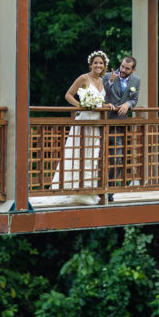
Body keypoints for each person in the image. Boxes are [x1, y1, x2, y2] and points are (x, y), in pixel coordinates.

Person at [51, 50, 108, 204]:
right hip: (84, 121)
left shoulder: (102, 82)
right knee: (79, 153)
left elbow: (99, 102)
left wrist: (106, 105)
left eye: (101, 63)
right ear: (91, 64)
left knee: (92, 155)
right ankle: (73, 188)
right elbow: (68, 95)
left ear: (104, 66)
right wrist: (81, 106)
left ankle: (88, 190)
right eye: (95, 63)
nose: (98, 65)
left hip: (96, 124)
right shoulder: (84, 78)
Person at [103, 57, 140, 194]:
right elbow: (101, 94)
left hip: (120, 124)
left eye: (127, 68)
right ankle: (98, 188)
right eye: (122, 66)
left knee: (117, 158)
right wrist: (110, 82)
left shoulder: (136, 81)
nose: (123, 70)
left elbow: (134, 99)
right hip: (104, 122)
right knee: (100, 156)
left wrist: (127, 104)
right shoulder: (108, 76)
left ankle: (110, 189)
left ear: (133, 69)